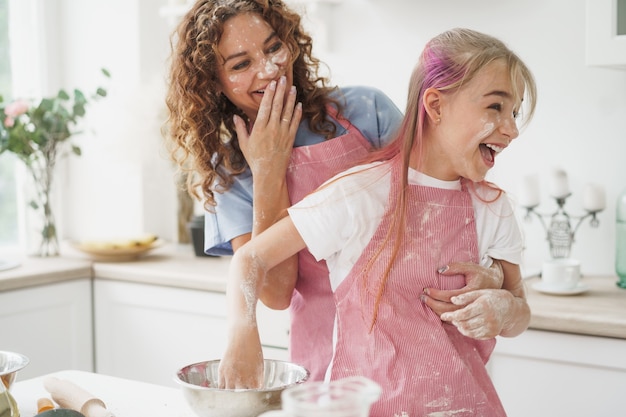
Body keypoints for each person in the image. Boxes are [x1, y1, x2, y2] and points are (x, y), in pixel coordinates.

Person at [164, 0, 507, 382]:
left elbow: (449, 208)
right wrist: (267, 172)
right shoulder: (229, 170)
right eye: (241, 64)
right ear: (214, 82)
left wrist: (494, 276)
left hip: (421, 335)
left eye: (273, 47)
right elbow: (276, 293)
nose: (268, 69)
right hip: (327, 354)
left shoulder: (364, 112)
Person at [218, 27, 537, 417]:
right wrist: (243, 334)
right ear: (435, 106)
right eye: (495, 107)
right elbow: (250, 259)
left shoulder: (494, 207)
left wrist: (506, 307)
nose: (512, 128)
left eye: (515, 112)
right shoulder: (360, 193)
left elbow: (521, 310)